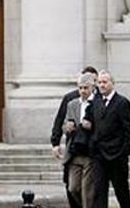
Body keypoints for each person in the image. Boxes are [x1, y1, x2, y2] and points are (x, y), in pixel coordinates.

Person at [51, 66, 99, 208]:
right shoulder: (71, 102)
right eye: (80, 88)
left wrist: (91, 126)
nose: (83, 91)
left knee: (88, 191)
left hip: (90, 151)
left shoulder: (98, 102)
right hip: (74, 150)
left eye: (86, 87)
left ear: (92, 87)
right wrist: (59, 136)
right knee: (73, 188)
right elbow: (62, 121)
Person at [86, 71, 130, 208]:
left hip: (117, 157)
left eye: (105, 82)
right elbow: (90, 119)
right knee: (99, 193)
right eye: (99, 82)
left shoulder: (122, 103)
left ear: (112, 84)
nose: (101, 85)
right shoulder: (96, 101)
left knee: (122, 193)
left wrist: (123, 153)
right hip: (99, 156)